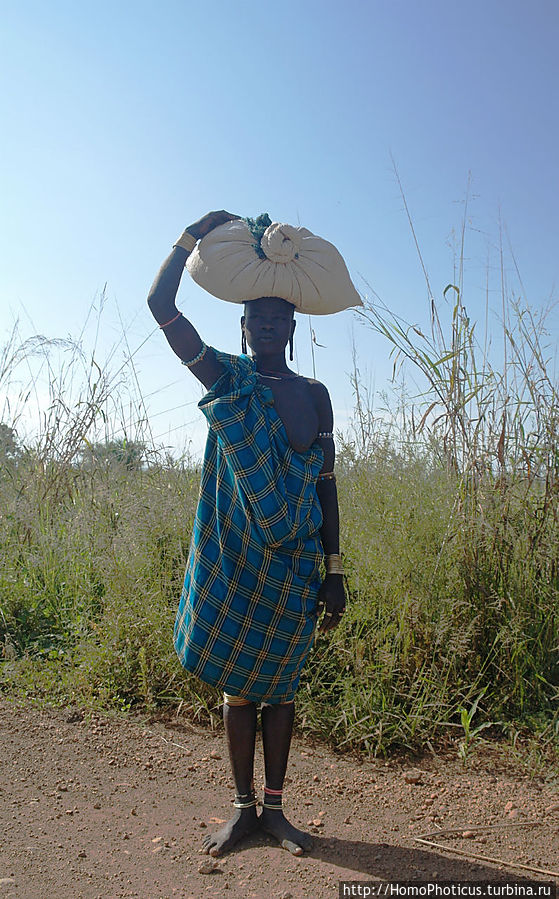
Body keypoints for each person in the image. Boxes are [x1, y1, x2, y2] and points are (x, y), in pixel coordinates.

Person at [147, 210, 346, 857]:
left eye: (277, 320)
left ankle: (277, 812)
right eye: (256, 319)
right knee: (240, 691)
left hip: (293, 567)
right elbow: (160, 303)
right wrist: (190, 233)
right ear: (242, 327)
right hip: (238, 565)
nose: (266, 326)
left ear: (292, 329)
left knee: (281, 691)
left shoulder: (313, 395)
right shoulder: (226, 378)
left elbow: (324, 484)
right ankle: (241, 811)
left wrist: (334, 569)